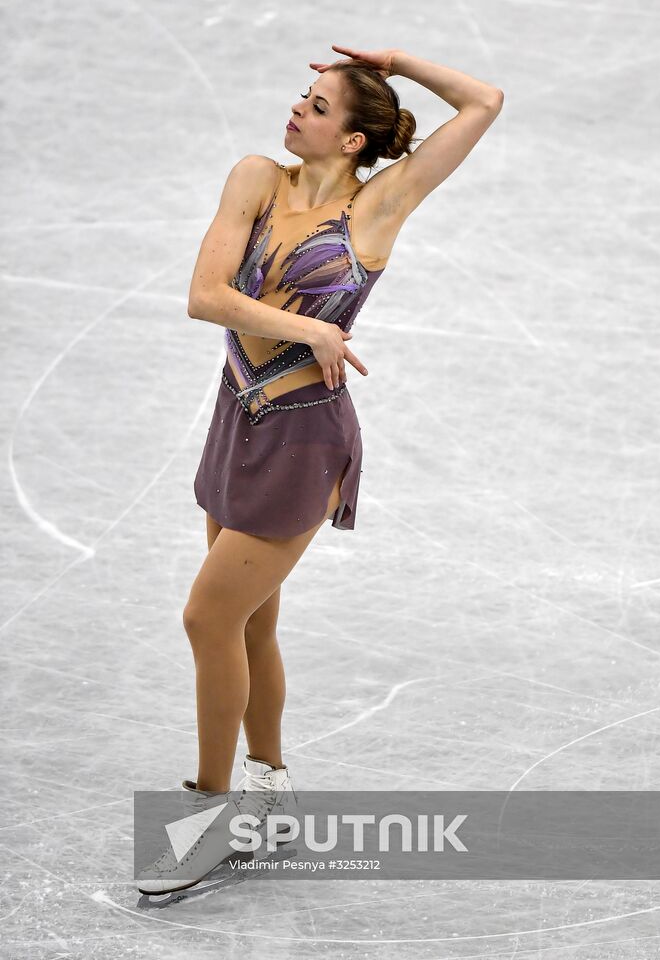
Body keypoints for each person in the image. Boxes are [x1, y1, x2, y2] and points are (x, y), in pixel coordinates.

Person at [137, 45, 503, 895]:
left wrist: (398, 63)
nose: (297, 109)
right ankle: (268, 791)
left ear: (351, 140)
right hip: (237, 418)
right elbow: (205, 295)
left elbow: (482, 101)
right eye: (300, 97)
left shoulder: (379, 205)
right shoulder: (256, 177)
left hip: (307, 438)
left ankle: (214, 816)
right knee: (250, 625)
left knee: (205, 619)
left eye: (318, 105)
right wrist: (314, 331)